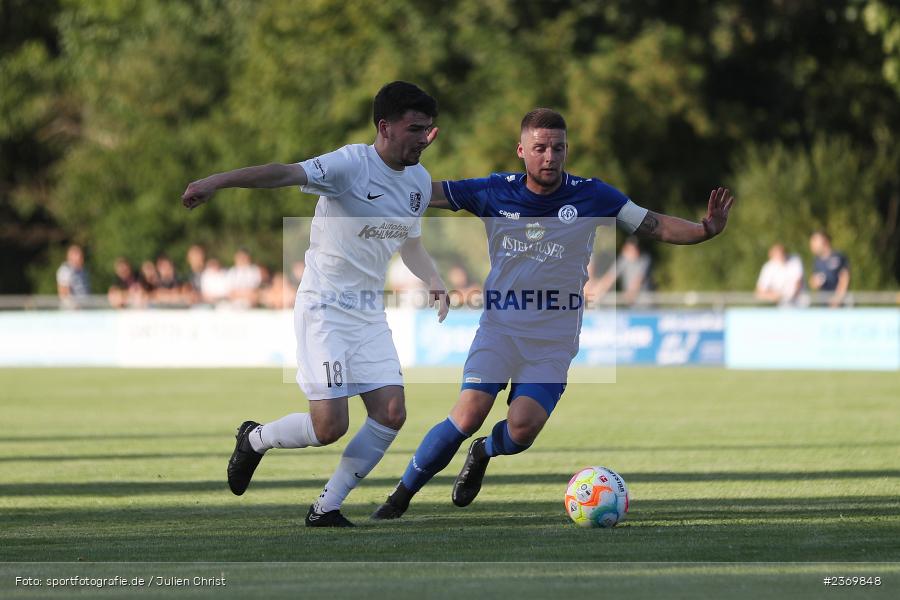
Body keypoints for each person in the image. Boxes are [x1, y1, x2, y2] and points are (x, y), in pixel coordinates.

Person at [373, 108, 734, 519]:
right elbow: (424, 193)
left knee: (522, 429)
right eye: (540, 148)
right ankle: (398, 499)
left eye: (558, 148)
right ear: (522, 150)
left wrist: (704, 229)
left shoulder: (593, 195)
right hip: (500, 328)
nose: (549, 156)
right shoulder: (494, 190)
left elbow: (652, 225)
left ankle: (484, 450)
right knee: (469, 411)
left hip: (554, 339)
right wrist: (389, 170)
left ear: (566, 150)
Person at [181, 81, 448, 527]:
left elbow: (411, 243)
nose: (423, 138)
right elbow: (281, 173)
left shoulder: (418, 182)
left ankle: (326, 508)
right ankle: (256, 439)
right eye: (414, 129)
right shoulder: (349, 164)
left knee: (392, 413)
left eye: (427, 129)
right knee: (329, 427)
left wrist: (435, 279)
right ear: (384, 127)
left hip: (367, 312)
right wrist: (214, 183)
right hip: (324, 306)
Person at [587, 236, 653, 306]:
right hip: (632, 305)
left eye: (634, 249)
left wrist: (631, 292)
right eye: (629, 249)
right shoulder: (624, 260)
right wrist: (596, 291)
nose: (632, 252)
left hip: (646, 304)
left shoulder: (645, 259)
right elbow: (610, 278)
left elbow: (638, 280)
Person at [809, 230, 850, 308]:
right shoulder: (817, 260)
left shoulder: (839, 257)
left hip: (839, 304)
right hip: (824, 304)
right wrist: (814, 283)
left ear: (824, 240)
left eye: (815, 241)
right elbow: (813, 281)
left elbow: (844, 278)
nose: (812, 244)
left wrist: (838, 298)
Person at [56, 244, 91, 308]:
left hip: (84, 309)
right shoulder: (65, 270)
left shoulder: (83, 271)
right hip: (72, 311)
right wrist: (74, 307)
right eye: (78, 255)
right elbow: (64, 293)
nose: (81, 258)